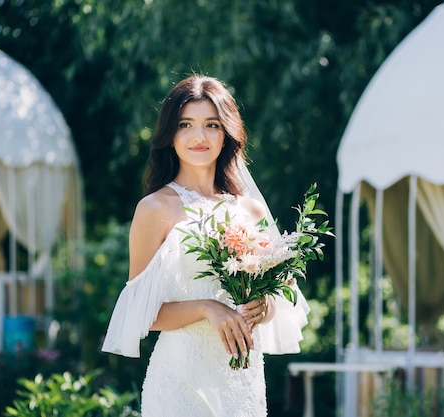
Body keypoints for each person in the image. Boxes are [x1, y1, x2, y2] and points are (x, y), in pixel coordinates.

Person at [101, 74, 310, 417]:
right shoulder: (155, 209)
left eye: (211, 124)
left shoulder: (250, 209)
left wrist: (263, 305)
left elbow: (277, 299)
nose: (199, 137)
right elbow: (140, 313)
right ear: (170, 135)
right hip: (181, 382)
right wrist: (206, 308)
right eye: (186, 124)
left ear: (226, 132)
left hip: (242, 380)